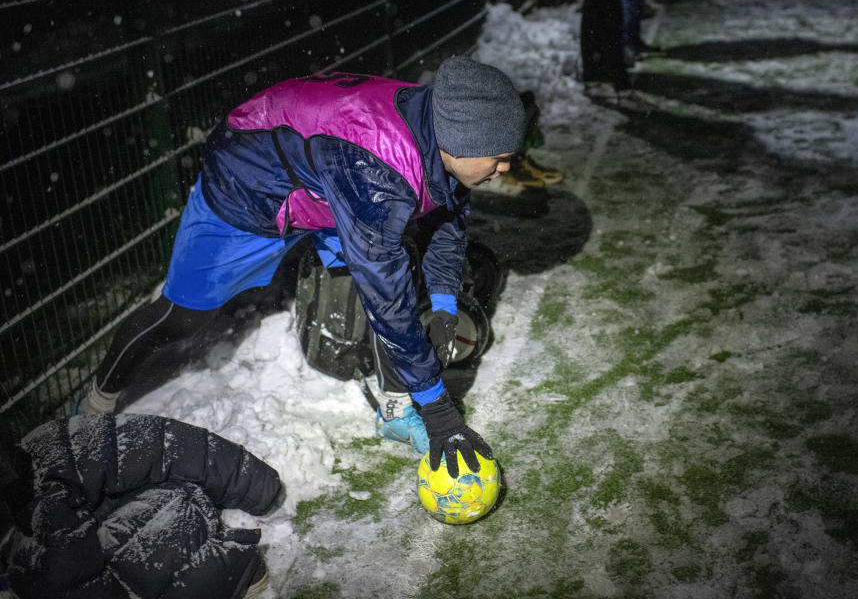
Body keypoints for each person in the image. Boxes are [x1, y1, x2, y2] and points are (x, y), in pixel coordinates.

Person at [77, 56, 526, 478]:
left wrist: (445, 302)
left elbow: (446, 216)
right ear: (461, 142)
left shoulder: (442, 125)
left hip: (326, 176)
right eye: (498, 156)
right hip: (247, 182)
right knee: (183, 317)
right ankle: (96, 402)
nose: (506, 168)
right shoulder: (379, 174)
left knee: (391, 274)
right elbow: (385, 294)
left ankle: (394, 409)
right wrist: (439, 409)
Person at [1, 413, 282, 598]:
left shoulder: (43, 464)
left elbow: (161, 445)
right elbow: (162, 444)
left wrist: (260, 487)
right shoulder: (44, 461)